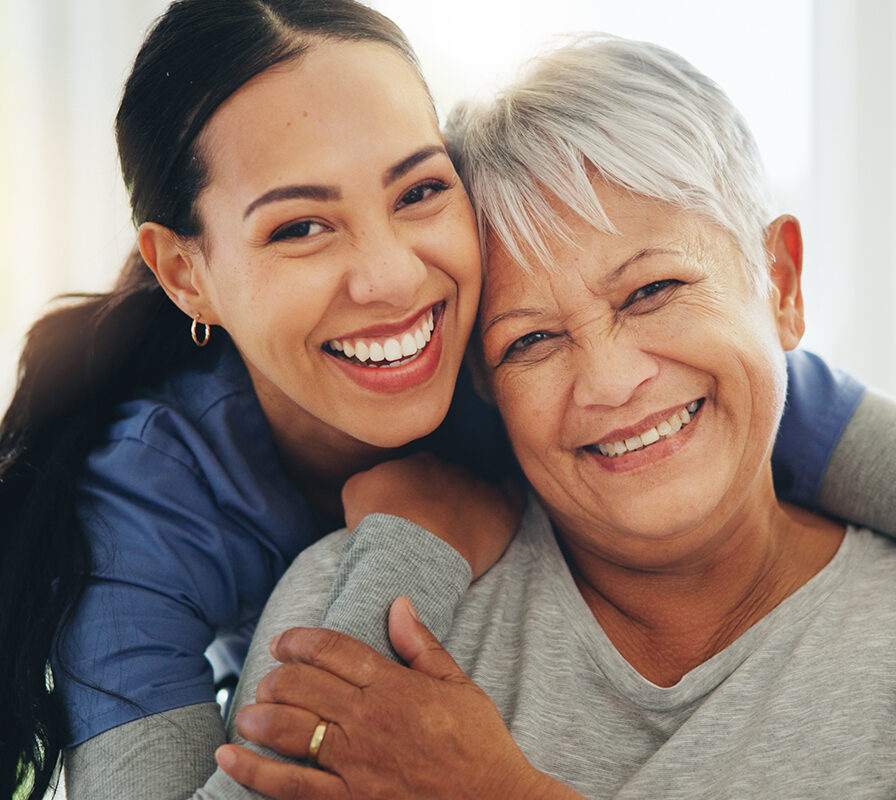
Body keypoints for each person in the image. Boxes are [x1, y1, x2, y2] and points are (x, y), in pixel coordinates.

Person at [0, 3, 887, 796]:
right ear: (185, 274)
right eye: (299, 226)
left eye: (419, 190)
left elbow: (763, 384)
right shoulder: (140, 508)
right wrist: (410, 554)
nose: (391, 278)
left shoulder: (554, 350)